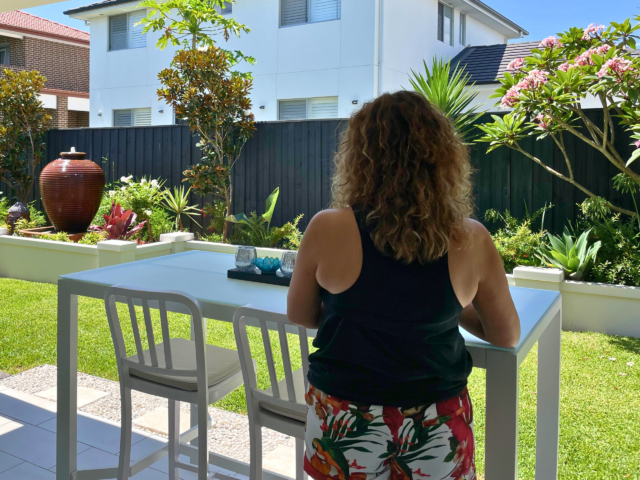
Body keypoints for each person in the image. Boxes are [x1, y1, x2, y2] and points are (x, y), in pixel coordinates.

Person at [287, 91, 520, 480]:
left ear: (359, 159)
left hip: (345, 418)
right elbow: (506, 334)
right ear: (442, 158)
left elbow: (301, 313)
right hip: (435, 422)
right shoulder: (470, 239)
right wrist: (446, 308)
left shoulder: (326, 226)